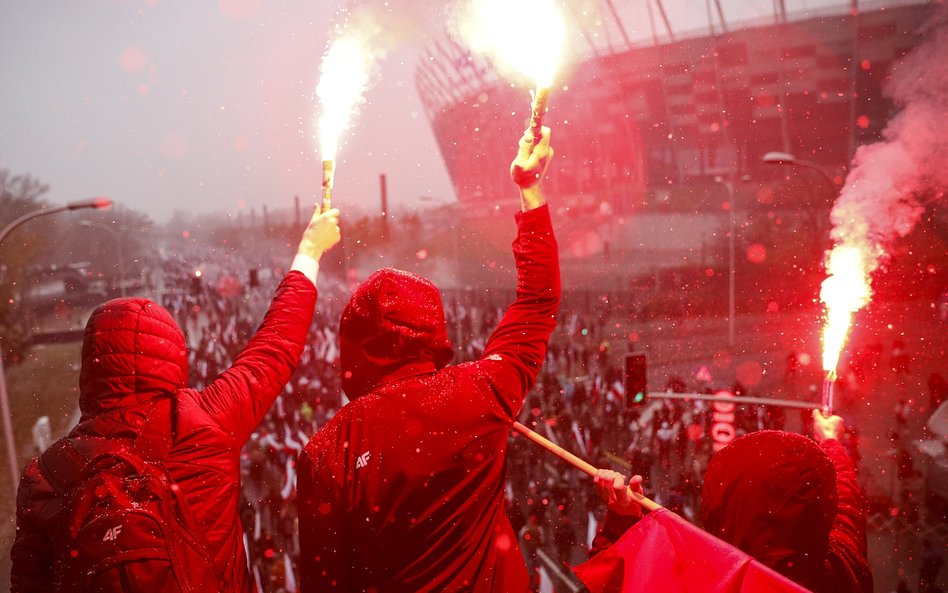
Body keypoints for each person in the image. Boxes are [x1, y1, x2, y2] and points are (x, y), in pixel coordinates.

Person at [11, 206, 341, 593]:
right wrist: (309, 252)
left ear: (90, 367)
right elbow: (275, 348)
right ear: (172, 354)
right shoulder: (204, 422)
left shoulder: (46, 475)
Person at [297, 125, 560, 593]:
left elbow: (325, 584)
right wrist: (530, 189)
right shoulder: (481, 393)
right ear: (434, 334)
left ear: (352, 345)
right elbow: (537, 300)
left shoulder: (326, 454)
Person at [590, 410, 873, 593]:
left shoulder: (701, 581)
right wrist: (831, 443)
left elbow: (619, 584)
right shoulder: (843, 573)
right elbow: (847, 504)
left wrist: (621, 522)